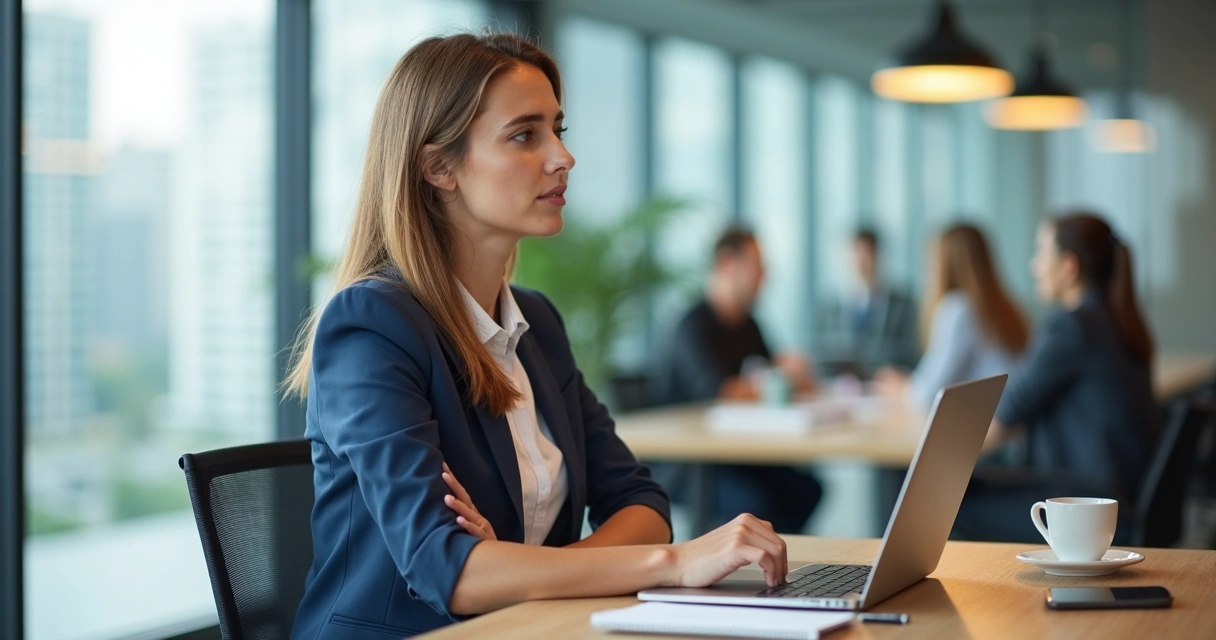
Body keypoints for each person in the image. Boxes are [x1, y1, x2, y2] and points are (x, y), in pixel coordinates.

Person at [283, 33, 789, 639]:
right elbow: (450, 572)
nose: (562, 157)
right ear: (437, 166)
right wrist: (674, 566)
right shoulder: (373, 327)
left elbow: (643, 506)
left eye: (558, 130)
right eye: (525, 135)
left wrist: (522, 572)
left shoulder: (537, 325)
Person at [953, 212, 1157, 544]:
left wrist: (935, 449)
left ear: (1068, 266)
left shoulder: (1072, 327)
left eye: (1040, 254)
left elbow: (1005, 418)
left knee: (950, 504)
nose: (1034, 267)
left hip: (1085, 502)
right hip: (1117, 497)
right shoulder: (1117, 319)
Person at [651, 227, 821, 534]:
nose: (764, 277)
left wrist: (788, 376)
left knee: (806, 491)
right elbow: (719, 391)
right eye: (757, 266)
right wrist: (781, 379)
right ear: (727, 263)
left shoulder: (748, 325)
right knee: (761, 503)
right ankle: (754, 570)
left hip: (735, 454)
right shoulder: (692, 325)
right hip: (688, 462)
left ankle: (779, 571)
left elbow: (773, 377)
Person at [874, 223, 1029, 410]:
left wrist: (900, 386)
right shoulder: (1003, 306)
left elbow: (927, 394)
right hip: (1009, 425)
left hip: (986, 429)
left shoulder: (958, 309)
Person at [813, 227, 919, 379]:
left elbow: (911, 350)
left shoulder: (902, 304)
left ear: (878, 256)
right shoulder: (830, 305)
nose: (861, 261)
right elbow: (821, 350)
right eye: (856, 254)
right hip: (841, 388)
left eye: (867, 254)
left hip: (887, 386)